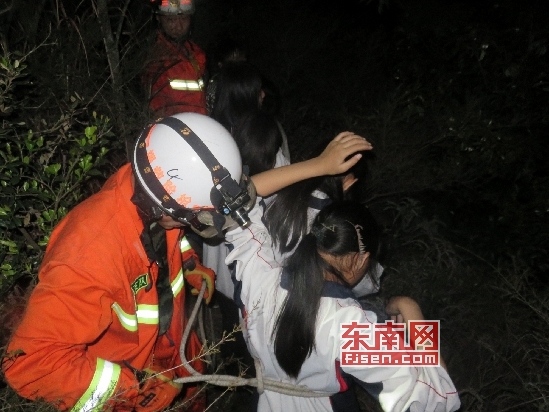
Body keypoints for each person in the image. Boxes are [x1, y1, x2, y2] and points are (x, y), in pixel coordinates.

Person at [223, 198, 461, 412]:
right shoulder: (350, 324)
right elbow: (436, 398)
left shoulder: (261, 277)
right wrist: (412, 312)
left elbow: (245, 228)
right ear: (361, 259)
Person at [142, 0, 207, 118]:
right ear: (159, 19)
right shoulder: (156, 59)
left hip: (200, 125)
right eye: (171, 20)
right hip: (176, 130)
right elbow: (156, 108)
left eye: (183, 19)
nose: (178, 26)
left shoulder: (197, 54)